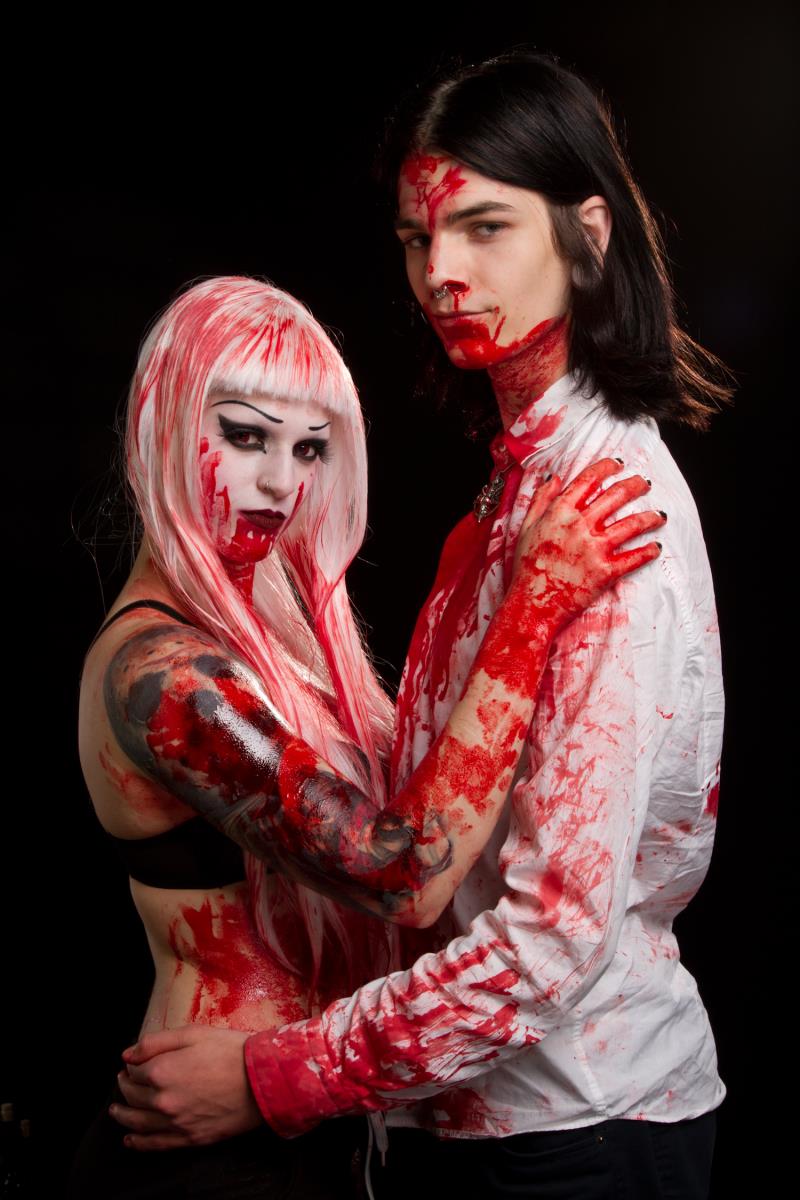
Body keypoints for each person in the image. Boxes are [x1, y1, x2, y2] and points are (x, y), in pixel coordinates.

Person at [73, 273, 662, 1198]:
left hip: (304, 1135)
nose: (283, 482)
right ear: (165, 422)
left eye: (309, 448)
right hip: (207, 1157)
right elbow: (405, 873)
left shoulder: (271, 636)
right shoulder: (164, 677)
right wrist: (533, 601)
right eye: (245, 435)